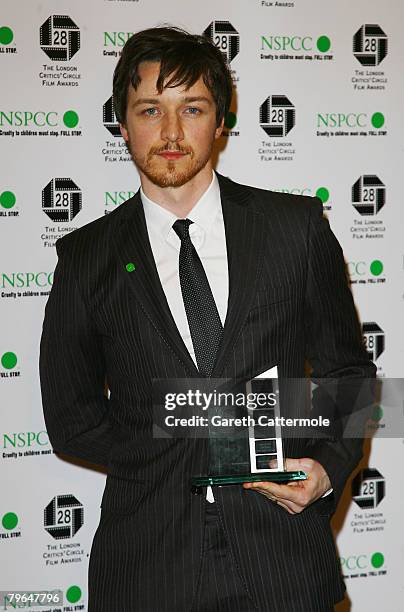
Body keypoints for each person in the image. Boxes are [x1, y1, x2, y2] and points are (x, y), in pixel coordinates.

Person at [40, 26, 376, 612]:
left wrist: (325, 468)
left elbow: (349, 373)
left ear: (220, 121)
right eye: (150, 109)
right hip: (147, 564)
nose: (171, 133)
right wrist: (167, 442)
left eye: (191, 108)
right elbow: (71, 418)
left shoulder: (294, 229)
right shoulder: (85, 257)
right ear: (122, 123)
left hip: (284, 560)